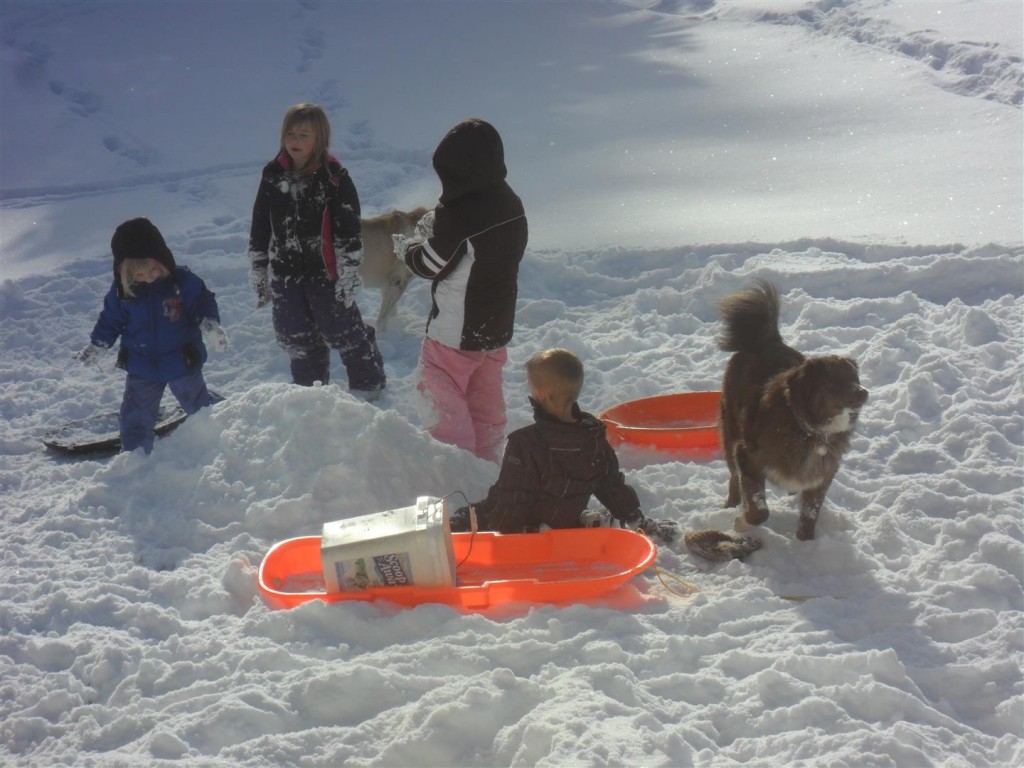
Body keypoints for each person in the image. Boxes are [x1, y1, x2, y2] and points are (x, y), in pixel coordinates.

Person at [394, 118, 527, 462]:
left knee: (441, 393)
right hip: (495, 327)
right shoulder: (511, 202)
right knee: (484, 396)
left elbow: (430, 263)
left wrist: (410, 249)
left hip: (454, 332)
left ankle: (455, 465)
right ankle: (487, 460)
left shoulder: (459, 214)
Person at [449, 348, 679, 542]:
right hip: (562, 519)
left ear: (539, 393)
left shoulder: (525, 444)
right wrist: (636, 519)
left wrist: (504, 534)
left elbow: (512, 499)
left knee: (464, 516)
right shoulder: (593, 437)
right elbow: (611, 487)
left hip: (525, 528)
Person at [247, 103, 386, 398]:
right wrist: (258, 265)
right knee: (297, 338)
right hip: (286, 274)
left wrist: (349, 270)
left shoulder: (334, 178)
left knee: (343, 332)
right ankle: (311, 396)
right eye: (291, 134)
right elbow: (260, 223)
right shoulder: (273, 176)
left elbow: (349, 230)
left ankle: (368, 385)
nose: (295, 141)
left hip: (327, 274)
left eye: (304, 135)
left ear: (319, 139)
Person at [77, 217, 228, 454]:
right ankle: (135, 455)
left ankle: (218, 436)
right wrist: (98, 344)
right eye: (139, 275)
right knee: (136, 415)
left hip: (182, 361)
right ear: (125, 273)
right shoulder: (122, 295)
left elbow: (202, 301)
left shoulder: (182, 283)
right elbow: (110, 320)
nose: (148, 277)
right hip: (142, 366)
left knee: (198, 406)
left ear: (163, 260)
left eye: (153, 270)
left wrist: (209, 324)